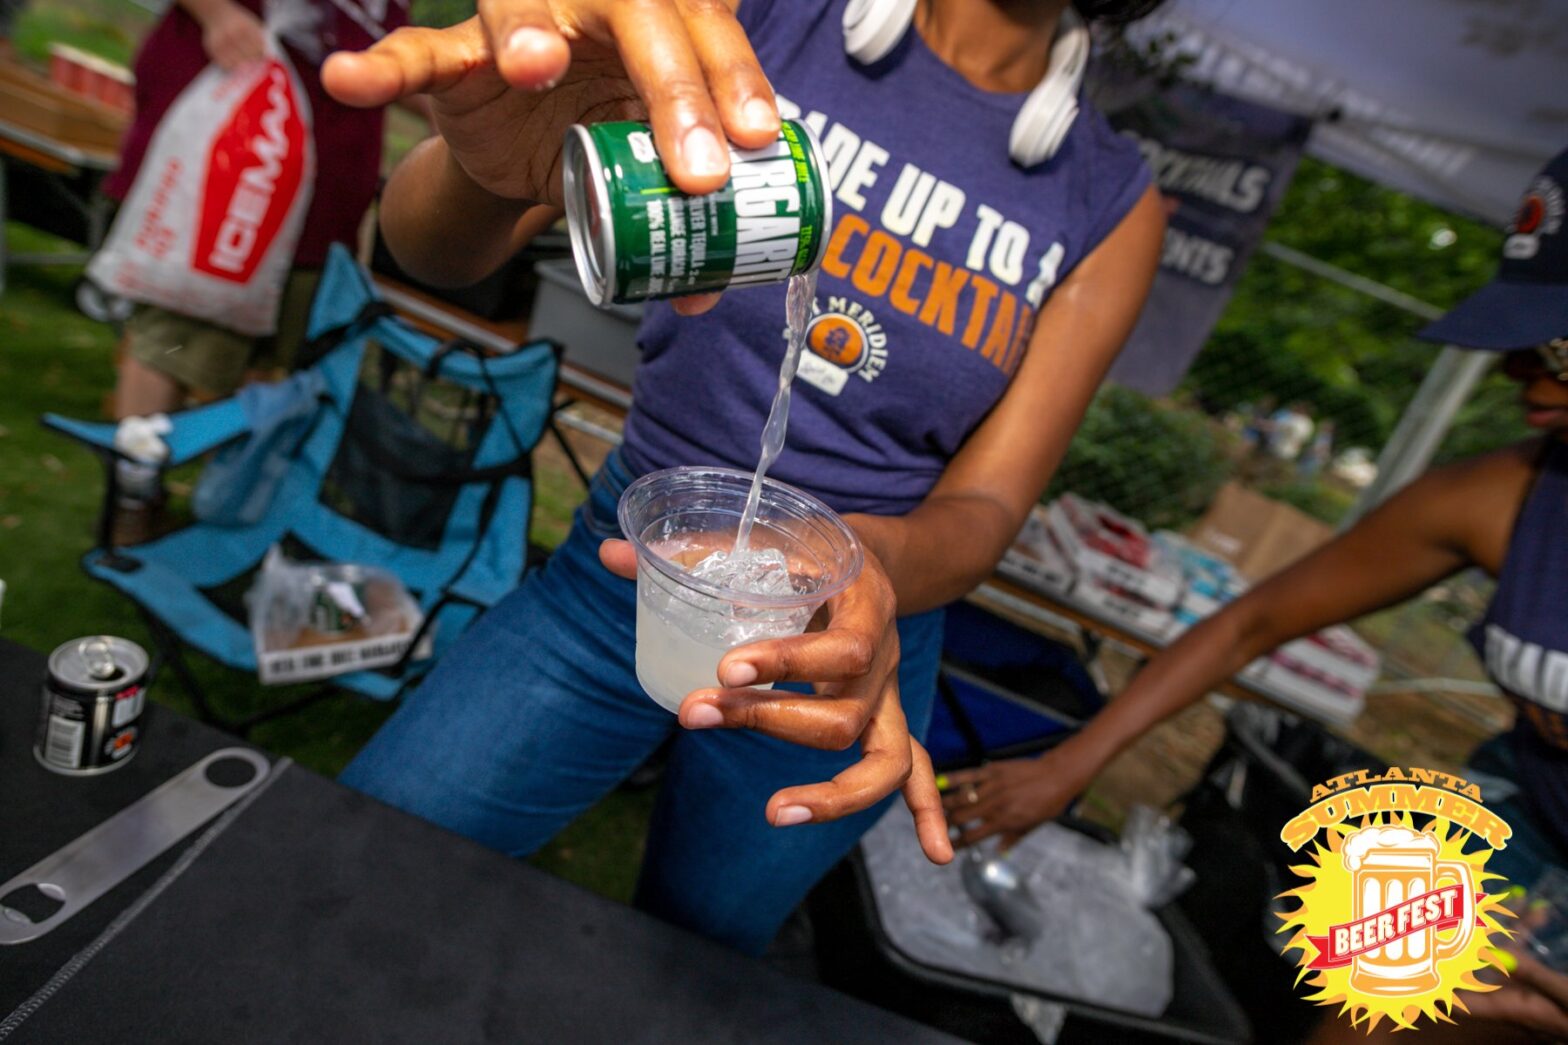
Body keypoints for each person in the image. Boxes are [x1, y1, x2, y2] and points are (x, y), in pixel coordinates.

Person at [321, 0, 1166, 954]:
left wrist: (857, 564)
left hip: (842, 639)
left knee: (695, 964)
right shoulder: (756, 16)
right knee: (363, 862)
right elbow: (430, 254)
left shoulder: (1110, 202)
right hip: (626, 575)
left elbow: (988, 507)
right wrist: (485, 180)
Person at [941, 146, 1568, 1041]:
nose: (1517, 374)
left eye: (1552, 344)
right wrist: (1071, 763)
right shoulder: (1503, 496)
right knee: (1364, 1007)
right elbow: (1254, 621)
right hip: (1531, 822)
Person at [105, 0, 411, 541]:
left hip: (331, 170)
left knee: (280, 364)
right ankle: (131, 507)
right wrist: (216, 12)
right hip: (240, 145)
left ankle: (219, 519)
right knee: (173, 342)